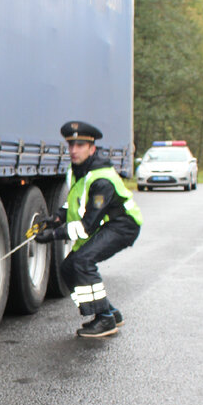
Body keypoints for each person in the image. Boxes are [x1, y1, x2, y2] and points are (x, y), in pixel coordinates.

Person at [35, 120, 142, 338]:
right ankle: (109, 312)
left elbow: (87, 226)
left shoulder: (101, 179)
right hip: (109, 224)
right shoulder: (80, 170)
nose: (74, 151)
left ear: (91, 148)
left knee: (82, 262)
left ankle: (104, 319)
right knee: (67, 268)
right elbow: (75, 201)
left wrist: (54, 235)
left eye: (80, 146)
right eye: (71, 145)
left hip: (124, 225)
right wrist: (56, 218)